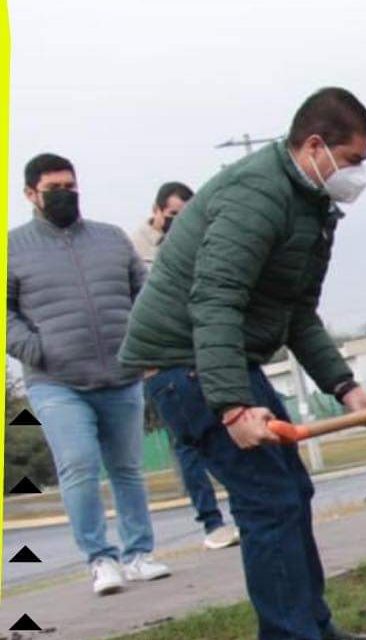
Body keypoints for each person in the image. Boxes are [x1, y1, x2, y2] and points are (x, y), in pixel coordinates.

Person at [120, 88, 366, 640]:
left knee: (291, 492)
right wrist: (232, 406)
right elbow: (214, 299)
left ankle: (313, 628)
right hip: (187, 365)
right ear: (315, 147)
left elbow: (297, 314)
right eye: (354, 160)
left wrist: (346, 389)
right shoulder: (258, 197)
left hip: (217, 361)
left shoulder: (309, 204)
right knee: (268, 500)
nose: (359, 174)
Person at [8, 153, 171, 596]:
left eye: (71, 186)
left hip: (121, 375)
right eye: (54, 189)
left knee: (127, 469)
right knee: (79, 464)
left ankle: (139, 554)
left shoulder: (111, 239)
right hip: (56, 383)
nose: (65, 195)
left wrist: (141, 342)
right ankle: (100, 560)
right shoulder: (13, 248)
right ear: (31, 195)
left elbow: (144, 293)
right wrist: (37, 349)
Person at [129, 181, 241, 551]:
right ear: (158, 211)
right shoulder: (136, 250)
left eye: (187, 216)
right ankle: (212, 522)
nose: (180, 222)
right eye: (174, 215)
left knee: (231, 432)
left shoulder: (200, 243)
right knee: (187, 444)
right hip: (163, 364)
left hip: (202, 353)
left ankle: (245, 511)